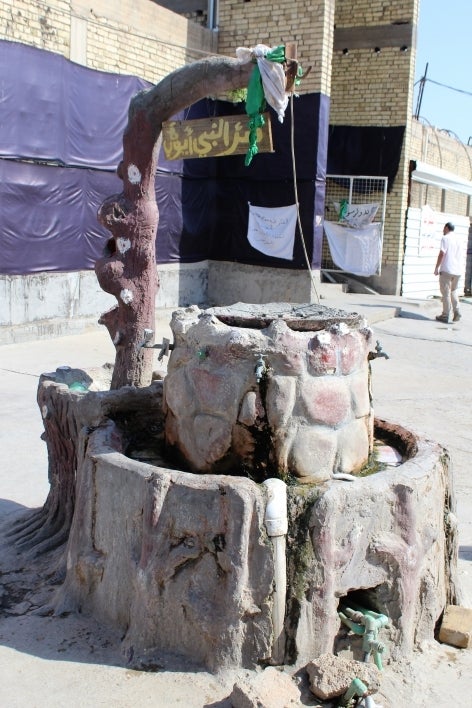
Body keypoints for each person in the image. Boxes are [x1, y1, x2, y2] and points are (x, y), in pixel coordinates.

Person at [434, 222, 463, 323]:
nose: (443, 230)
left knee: (446, 293)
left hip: (447, 269)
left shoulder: (445, 238)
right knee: (453, 291)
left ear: (446, 228)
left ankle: (445, 315)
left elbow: (442, 253)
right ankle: (457, 311)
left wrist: (437, 267)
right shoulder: (459, 239)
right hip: (458, 271)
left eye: (444, 228)